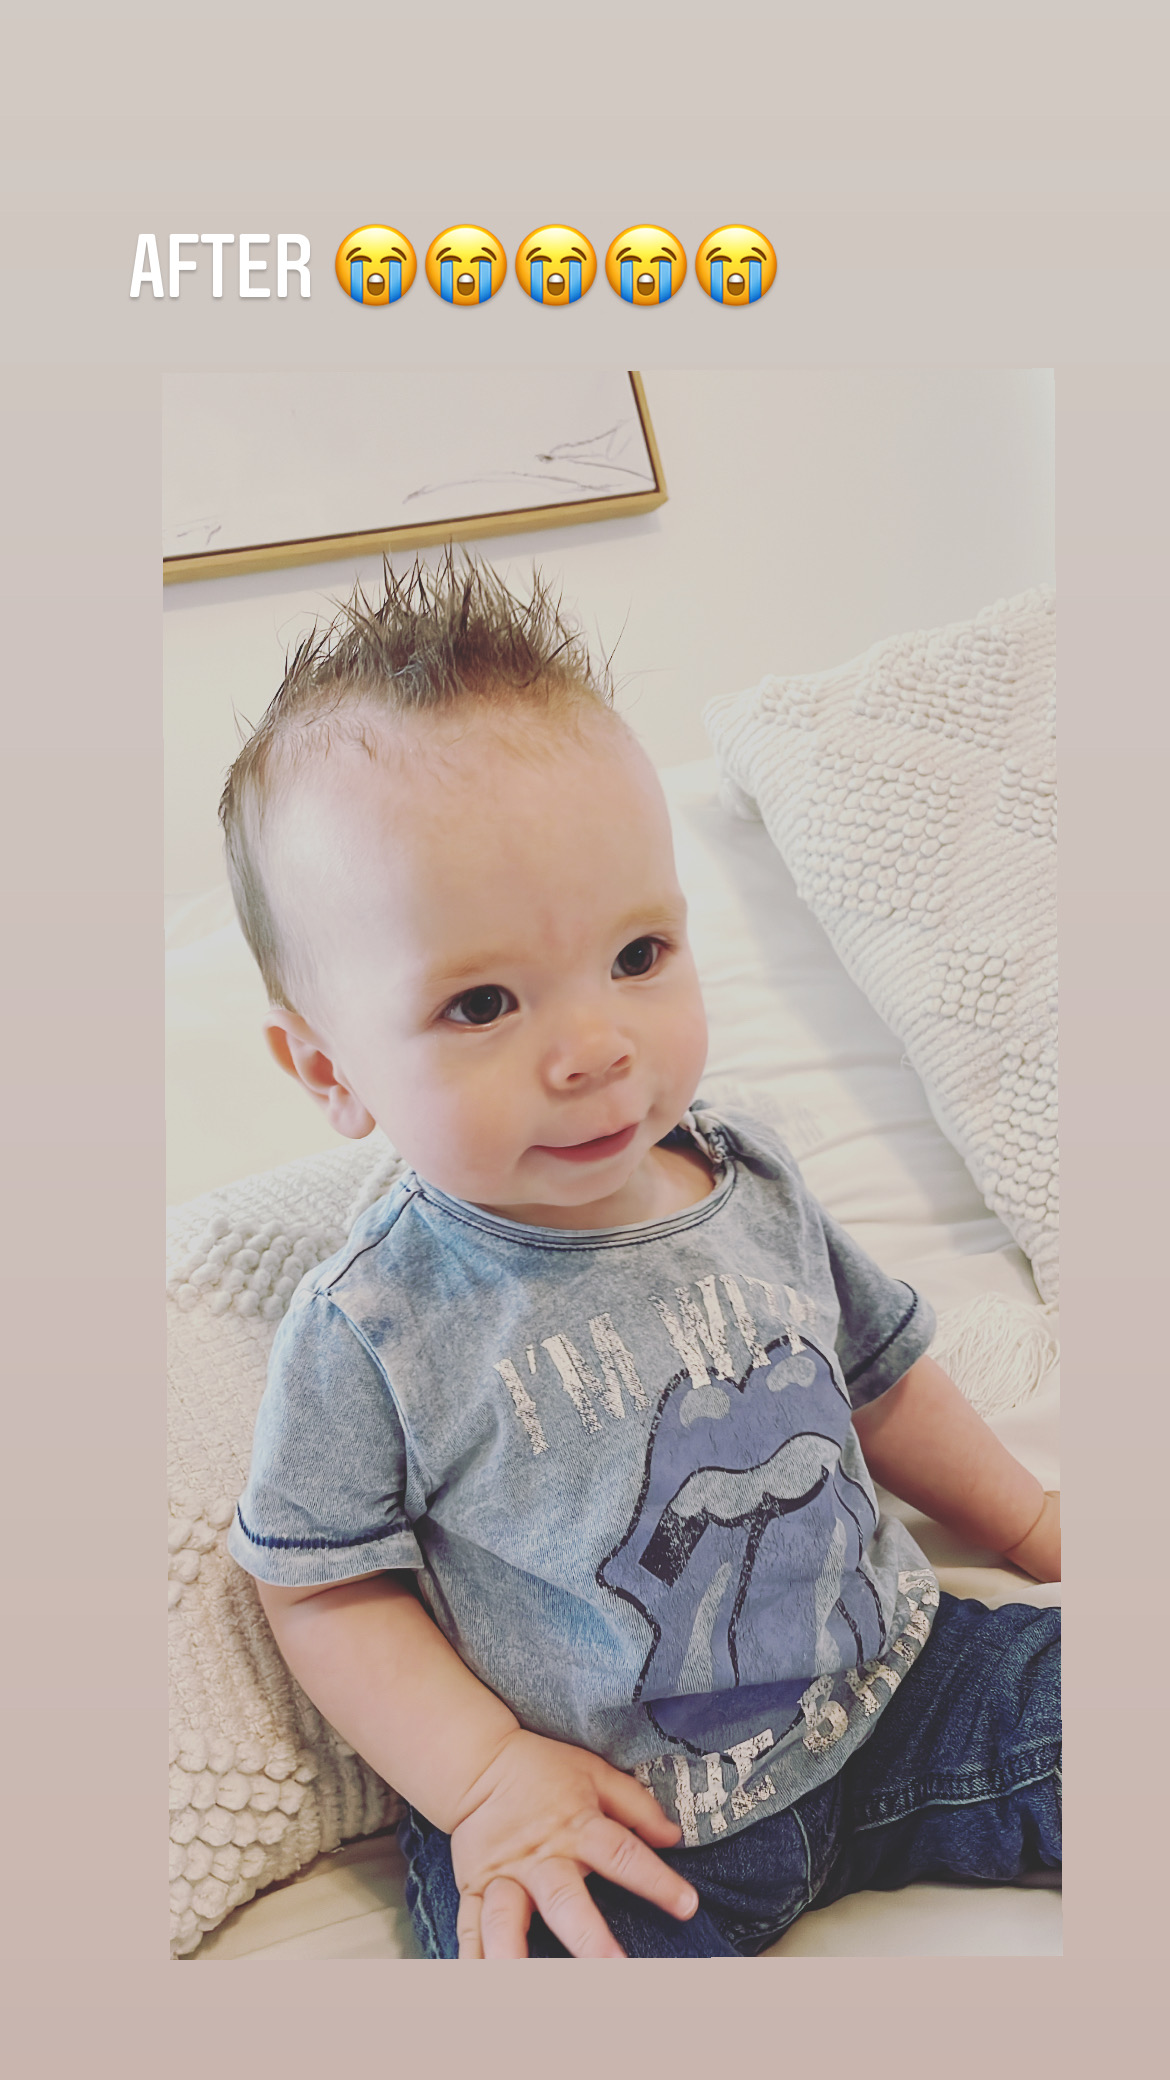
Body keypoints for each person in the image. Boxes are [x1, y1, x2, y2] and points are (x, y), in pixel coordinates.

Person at [222, 556, 1061, 1959]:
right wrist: (485, 1779)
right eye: (481, 1002)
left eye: (637, 954)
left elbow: (883, 1380)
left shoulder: (751, 1179)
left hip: (898, 1692)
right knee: (544, 1954)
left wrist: (1032, 1527)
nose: (595, 1046)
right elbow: (321, 1583)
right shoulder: (379, 1320)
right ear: (328, 1069)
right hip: (607, 1809)